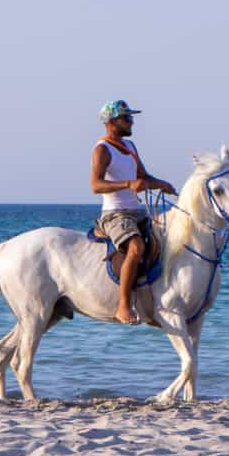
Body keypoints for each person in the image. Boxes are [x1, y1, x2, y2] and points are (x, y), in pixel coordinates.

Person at [90, 99, 176, 325]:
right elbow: (96, 185)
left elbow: (143, 178)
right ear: (111, 122)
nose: (132, 123)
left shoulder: (130, 147)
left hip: (137, 211)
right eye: (127, 118)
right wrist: (128, 184)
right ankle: (123, 306)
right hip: (115, 214)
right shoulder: (102, 149)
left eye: (131, 118)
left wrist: (162, 184)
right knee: (136, 247)